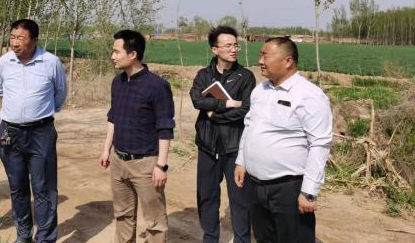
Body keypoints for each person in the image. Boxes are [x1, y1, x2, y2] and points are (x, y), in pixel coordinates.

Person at [234, 37, 332, 243]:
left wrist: (309, 192)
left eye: (265, 56)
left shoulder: (309, 95)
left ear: (288, 61)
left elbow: (320, 144)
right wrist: (241, 161)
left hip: (288, 188)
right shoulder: (260, 90)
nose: (260, 61)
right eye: (260, 55)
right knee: (264, 238)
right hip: (256, 186)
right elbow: (250, 126)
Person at [0, 19, 67, 243]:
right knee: (17, 187)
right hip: (10, 132)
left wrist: (39, 113)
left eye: (21, 38)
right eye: (12, 37)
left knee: (43, 187)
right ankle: (23, 235)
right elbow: (0, 91)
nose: (15, 43)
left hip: (41, 133)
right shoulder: (3, 63)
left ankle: (44, 238)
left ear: (34, 40)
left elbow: (60, 94)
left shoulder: (51, 62)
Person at [99, 29, 175, 243]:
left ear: (132, 54)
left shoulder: (157, 86)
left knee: (155, 222)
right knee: (122, 215)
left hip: (145, 165)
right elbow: (113, 117)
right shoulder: (118, 82)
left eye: (116, 52)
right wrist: (106, 149)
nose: (112, 56)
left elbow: (165, 128)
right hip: (118, 160)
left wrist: (161, 166)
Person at [189, 26, 255, 243]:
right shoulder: (203, 75)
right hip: (207, 146)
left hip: (234, 147)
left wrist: (215, 115)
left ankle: (242, 239)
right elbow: (197, 100)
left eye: (236, 45)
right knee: (206, 196)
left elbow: (245, 110)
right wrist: (226, 103)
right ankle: (210, 237)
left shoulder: (245, 77)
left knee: (240, 200)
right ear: (214, 49)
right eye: (228, 45)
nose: (233, 49)